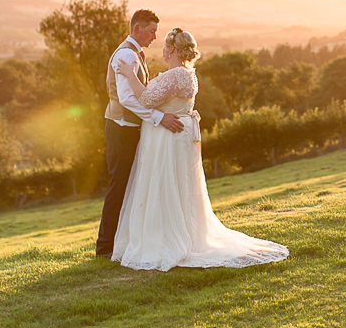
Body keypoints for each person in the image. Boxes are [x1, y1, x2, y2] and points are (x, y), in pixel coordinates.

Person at [112, 28, 289, 270]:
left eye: (165, 46)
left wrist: (128, 74)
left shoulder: (174, 75)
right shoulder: (189, 73)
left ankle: (168, 236)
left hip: (169, 138)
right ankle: (186, 232)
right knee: (182, 185)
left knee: (167, 183)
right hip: (182, 135)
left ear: (172, 49)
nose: (162, 50)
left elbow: (145, 99)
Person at [96, 9, 185, 259]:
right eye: (152, 31)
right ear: (137, 29)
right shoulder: (127, 53)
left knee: (130, 187)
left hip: (129, 128)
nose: (155, 37)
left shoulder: (134, 53)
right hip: (121, 129)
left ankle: (122, 244)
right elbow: (126, 99)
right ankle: (104, 249)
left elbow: (139, 93)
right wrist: (158, 118)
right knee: (119, 187)